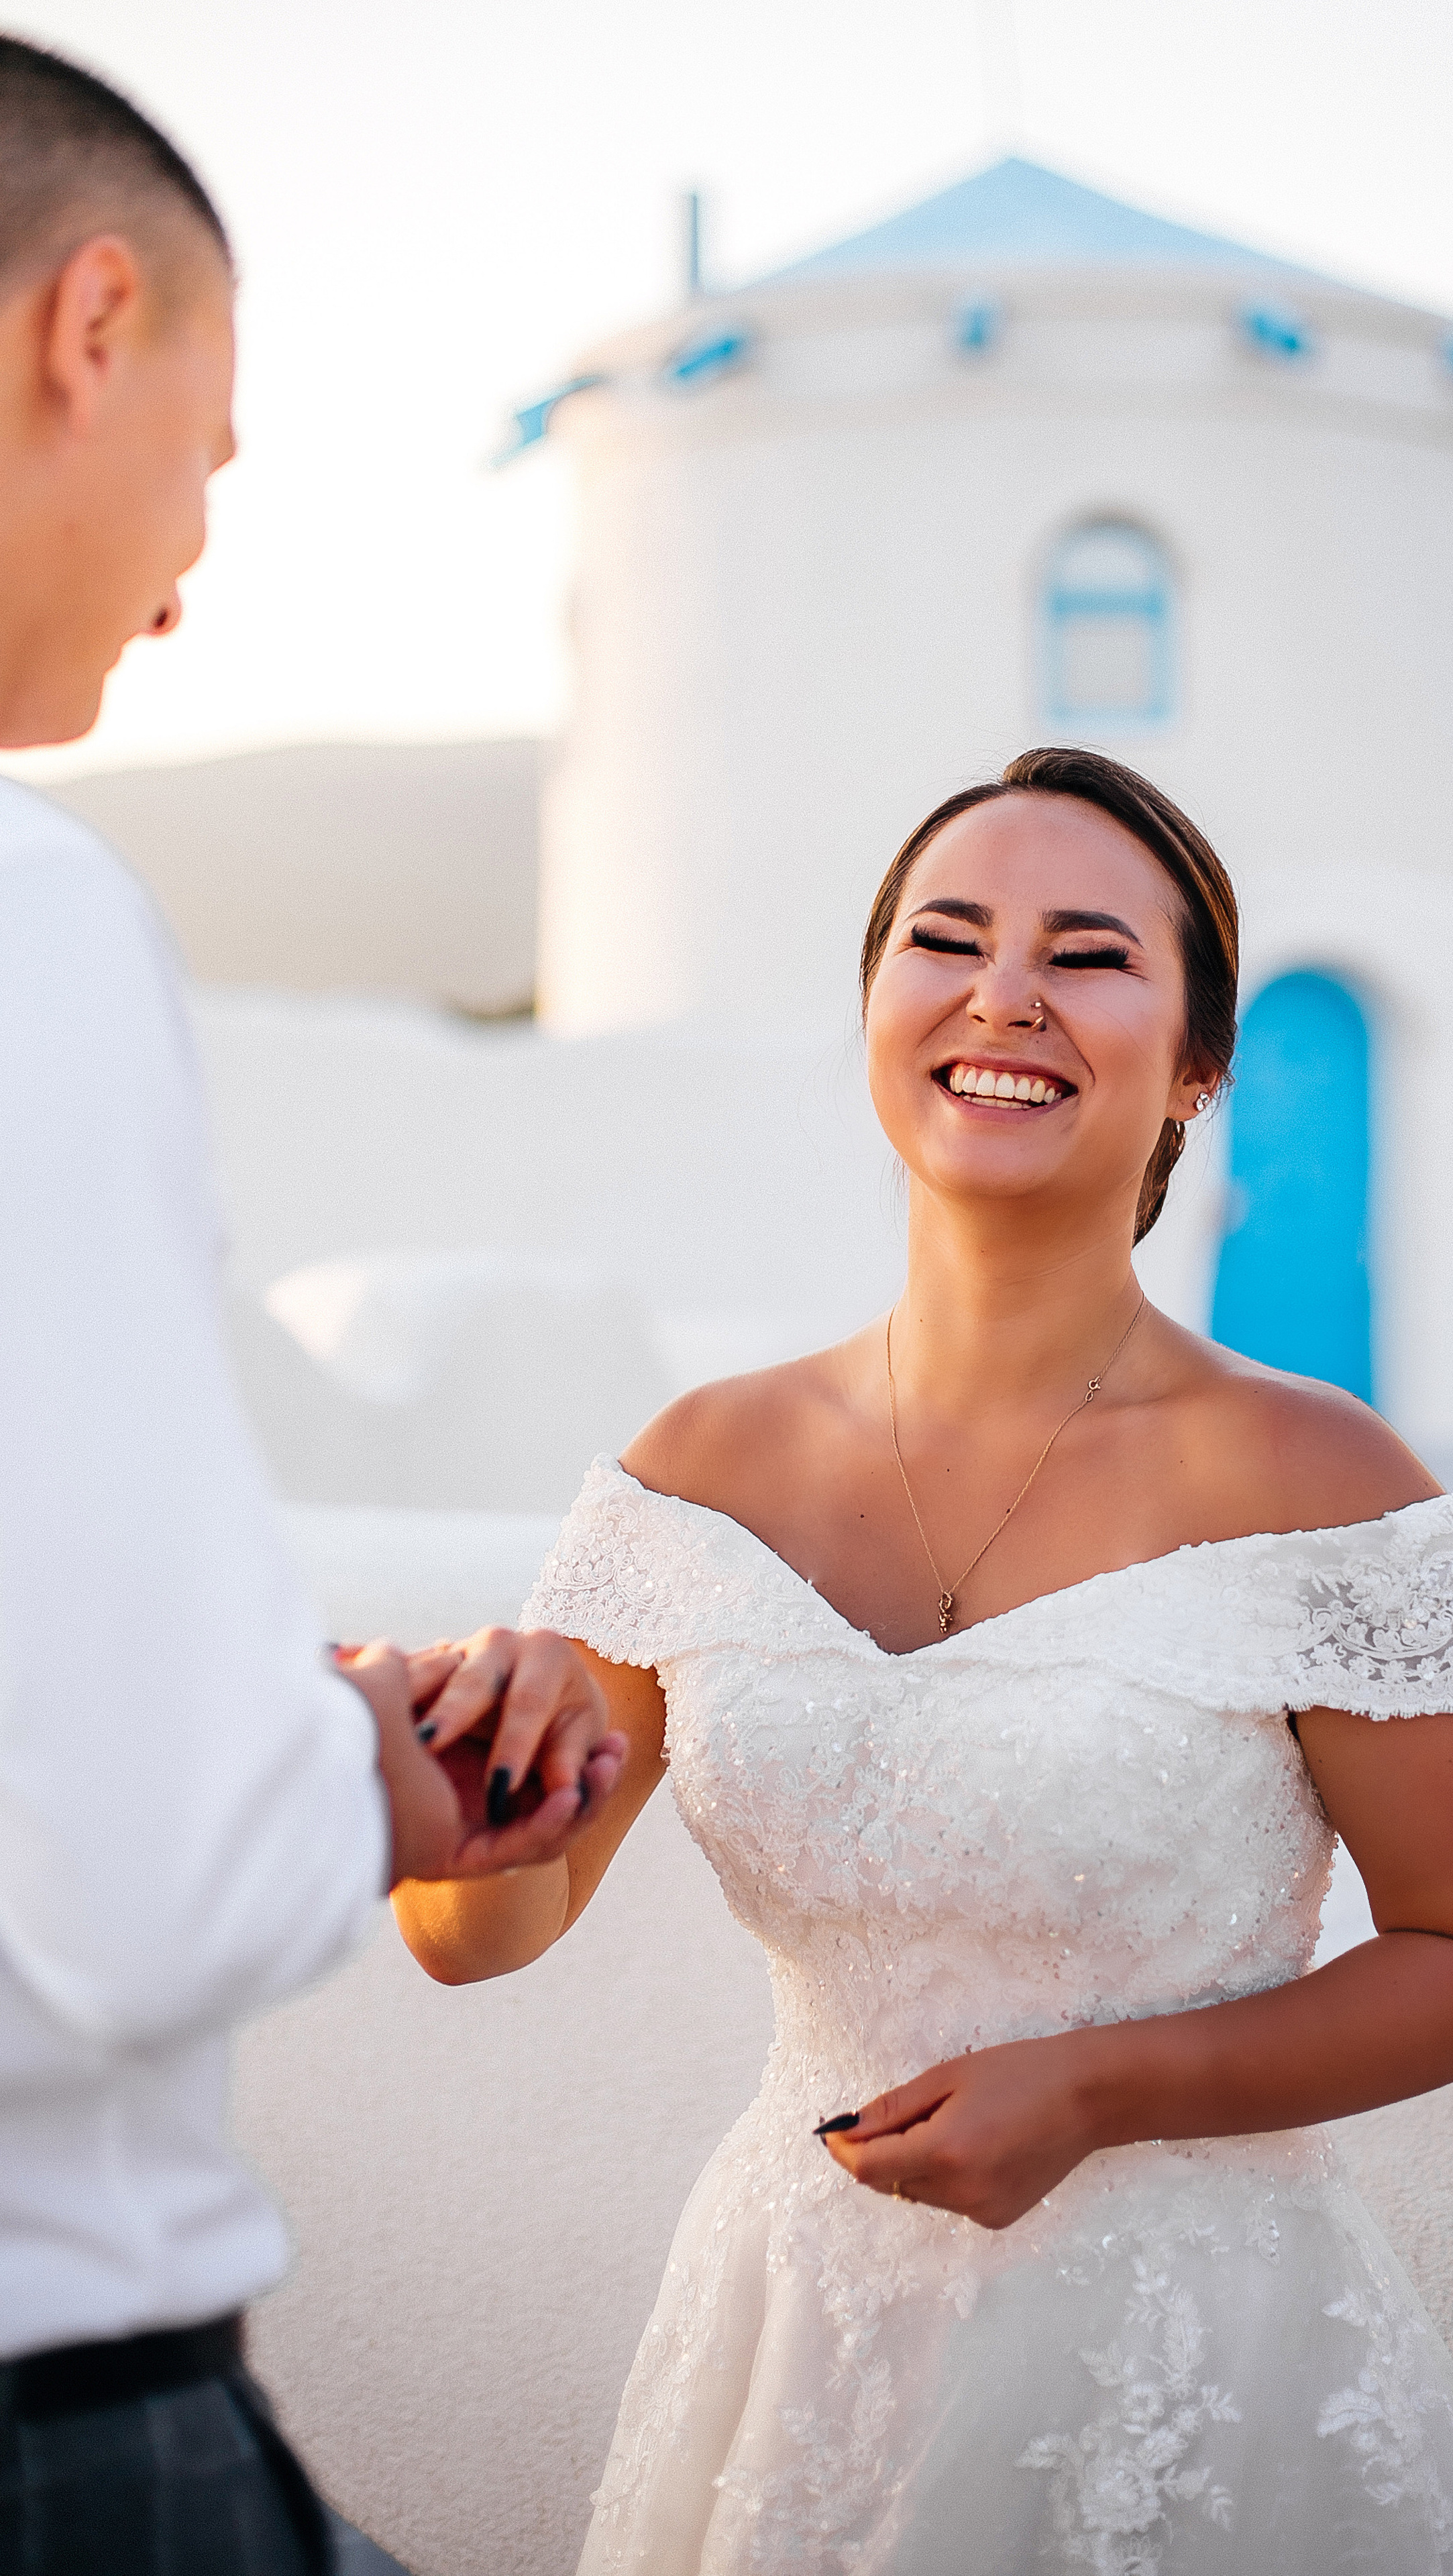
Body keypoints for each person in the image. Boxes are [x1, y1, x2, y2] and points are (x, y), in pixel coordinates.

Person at [398, 744, 1453, 2573]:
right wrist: (454, 1806)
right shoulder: (696, 1469)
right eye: (946, 940)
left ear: (1199, 1061)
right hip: (800, 2334)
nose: (1004, 994)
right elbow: (494, 1929)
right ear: (876, 1006)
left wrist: (1100, 2088)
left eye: (1088, 955)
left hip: (1199, 2370)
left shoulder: (1329, 1485)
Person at [0, 36, 625, 2575]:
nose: (193, 560)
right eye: (215, 453)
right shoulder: (28, 924)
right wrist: (357, 1767)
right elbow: (146, 1877)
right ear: (90, 326)